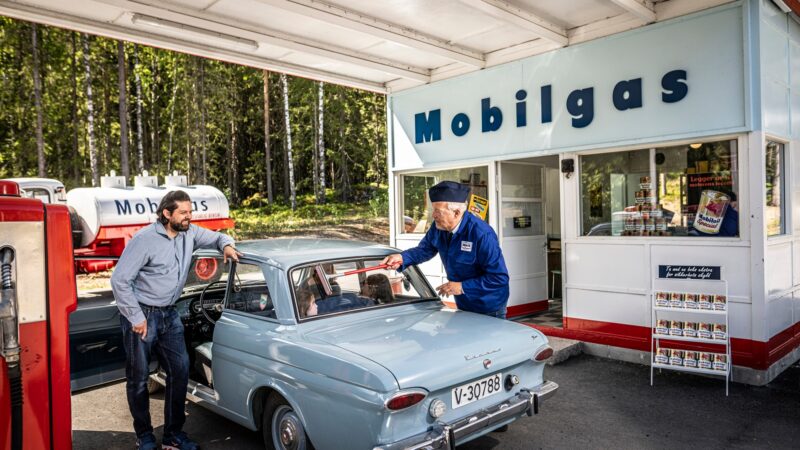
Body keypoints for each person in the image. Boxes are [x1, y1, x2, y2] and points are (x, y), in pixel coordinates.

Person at [111, 190, 242, 450]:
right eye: (183, 212)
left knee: (180, 370)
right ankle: (145, 436)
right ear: (166, 213)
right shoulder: (144, 240)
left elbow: (217, 237)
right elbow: (119, 281)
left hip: (170, 314)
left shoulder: (190, 232)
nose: (189, 217)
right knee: (138, 379)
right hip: (142, 314)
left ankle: (173, 434)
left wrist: (227, 245)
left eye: (190, 212)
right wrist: (136, 317)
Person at [382, 181, 510, 318]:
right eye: (433, 210)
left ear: (456, 212)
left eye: (438, 211)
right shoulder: (439, 228)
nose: (433, 215)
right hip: (463, 304)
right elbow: (425, 250)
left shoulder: (481, 234)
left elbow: (499, 278)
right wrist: (402, 258)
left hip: (489, 307)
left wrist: (462, 287)